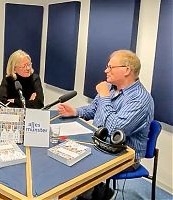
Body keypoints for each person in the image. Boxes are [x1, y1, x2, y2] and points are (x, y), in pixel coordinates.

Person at [58, 49, 154, 200]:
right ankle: (89, 192)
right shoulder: (110, 88)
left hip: (124, 154)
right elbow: (94, 109)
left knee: (77, 163)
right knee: (63, 151)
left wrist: (104, 96)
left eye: (110, 67)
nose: (105, 70)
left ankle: (90, 194)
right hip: (98, 142)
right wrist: (76, 111)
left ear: (126, 70)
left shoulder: (141, 100)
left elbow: (115, 130)